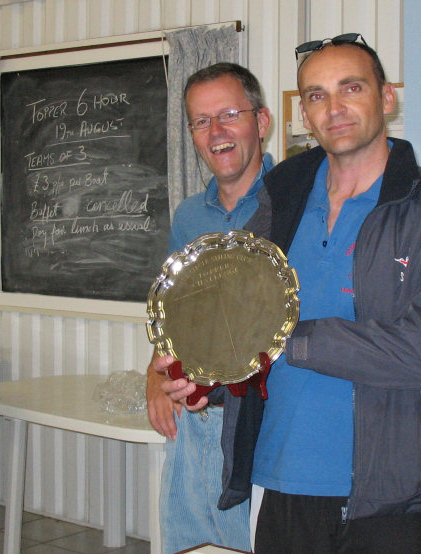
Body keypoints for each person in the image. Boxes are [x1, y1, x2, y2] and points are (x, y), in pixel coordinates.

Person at [164, 34, 421, 553]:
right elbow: (247, 335)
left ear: (386, 98)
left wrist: (296, 340)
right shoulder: (279, 202)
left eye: (350, 88)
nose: (333, 108)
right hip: (279, 480)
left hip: (393, 493)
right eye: (315, 95)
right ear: (304, 115)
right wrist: (211, 375)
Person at [146, 61, 272, 554]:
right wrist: (154, 376)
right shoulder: (189, 216)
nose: (215, 132)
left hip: (262, 424)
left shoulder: (298, 203)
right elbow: (173, 311)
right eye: (201, 121)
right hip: (197, 426)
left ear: (260, 123)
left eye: (228, 114)